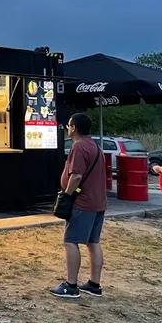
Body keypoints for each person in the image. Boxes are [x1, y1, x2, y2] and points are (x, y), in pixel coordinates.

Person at [50, 113, 107, 299]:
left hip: (83, 203)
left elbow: (76, 175)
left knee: (70, 241)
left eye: (68, 125)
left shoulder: (79, 147)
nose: (67, 128)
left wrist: (66, 195)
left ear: (73, 128)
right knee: (93, 242)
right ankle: (94, 284)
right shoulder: (95, 147)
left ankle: (71, 285)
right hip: (99, 202)